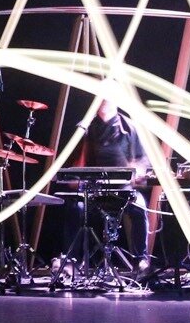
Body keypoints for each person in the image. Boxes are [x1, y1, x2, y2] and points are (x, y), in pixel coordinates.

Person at [53, 84, 154, 274]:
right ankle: (71, 261)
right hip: (92, 192)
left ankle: (141, 259)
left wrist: (138, 172)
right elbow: (74, 166)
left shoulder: (130, 127)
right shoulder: (85, 128)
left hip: (123, 192)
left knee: (140, 207)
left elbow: (142, 162)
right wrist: (76, 177)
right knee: (75, 207)